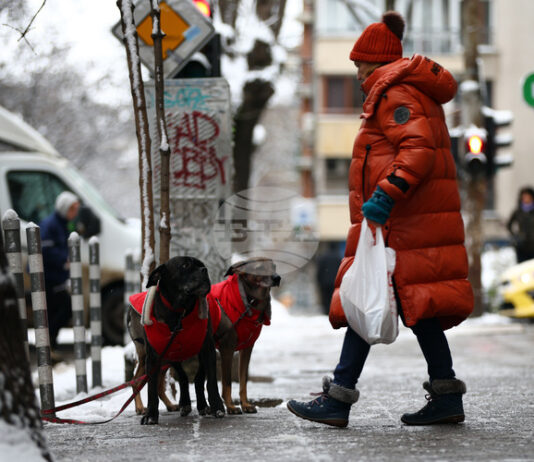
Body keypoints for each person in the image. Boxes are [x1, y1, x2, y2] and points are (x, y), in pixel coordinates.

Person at [287, 11, 474, 428]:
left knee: (365, 300)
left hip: (401, 226)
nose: (357, 73)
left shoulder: (395, 93)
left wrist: (385, 196)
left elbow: (418, 150)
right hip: (411, 225)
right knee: (408, 307)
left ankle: (338, 399)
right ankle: (444, 396)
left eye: (359, 64)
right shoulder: (405, 92)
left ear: (377, 61)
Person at [40, 191, 80, 359]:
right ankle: (48, 344)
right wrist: (64, 259)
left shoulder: (63, 224)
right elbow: (44, 250)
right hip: (48, 276)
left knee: (58, 310)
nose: (75, 212)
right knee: (61, 308)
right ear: (64, 208)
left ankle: (50, 345)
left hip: (57, 276)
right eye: (73, 209)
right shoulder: (51, 224)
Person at [507, 187, 534, 263]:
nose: (526, 199)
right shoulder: (518, 212)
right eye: (524, 197)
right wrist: (515, 236)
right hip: (522, 246)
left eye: (528, 197)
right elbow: (509, 225)